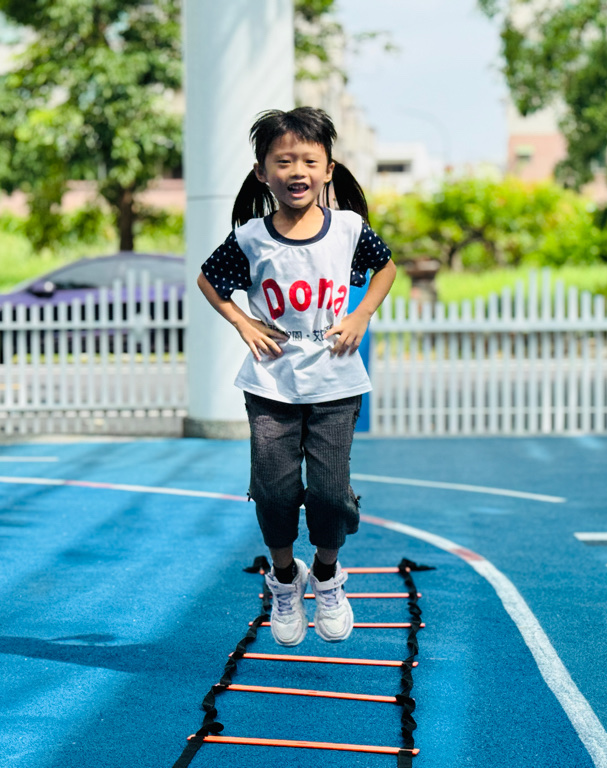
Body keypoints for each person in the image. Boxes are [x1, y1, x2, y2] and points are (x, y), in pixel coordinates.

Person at [196, 106, 397, 646]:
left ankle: (327, 574)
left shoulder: (348, 229)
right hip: (271, 386)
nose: (297, 170)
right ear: (262, 172)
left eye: (309, 160)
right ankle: (285, 579)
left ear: (328, 169)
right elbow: (209, 280)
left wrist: (361, 314)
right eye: (283, 161)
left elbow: (386, 268)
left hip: (336, 385)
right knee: (273, 492)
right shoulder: (250, 238)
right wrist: (243, 323)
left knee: (330, 496)